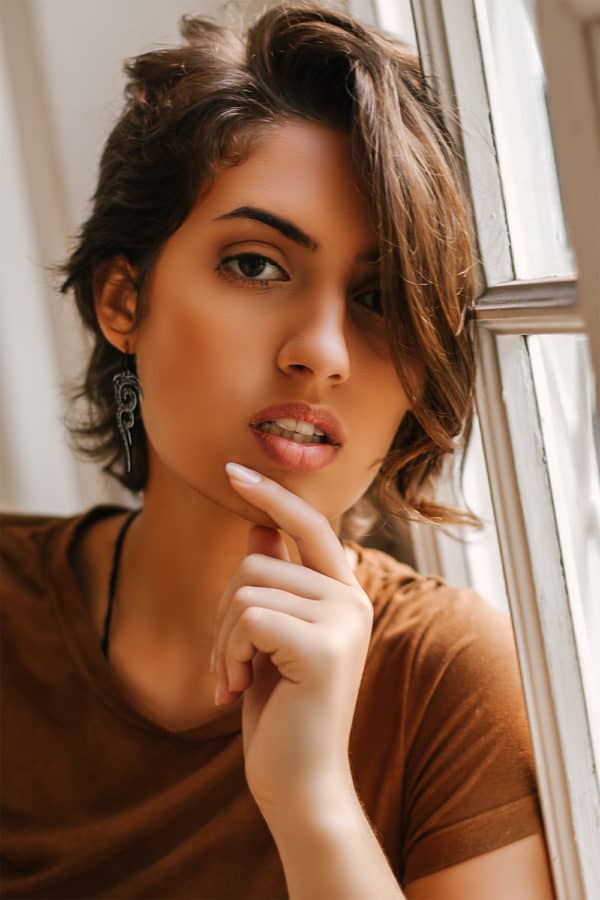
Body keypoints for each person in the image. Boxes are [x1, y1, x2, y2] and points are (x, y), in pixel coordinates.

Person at [0, 3, 556, 897]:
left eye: (379, 298)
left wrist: (312, 804)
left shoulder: (447, 679)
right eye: (256, 264)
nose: (322, 352)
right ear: (121, 301)